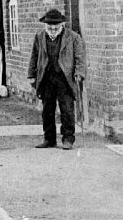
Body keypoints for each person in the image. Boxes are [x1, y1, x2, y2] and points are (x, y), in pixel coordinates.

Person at [27, 9, 86, 150]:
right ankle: (49, 139)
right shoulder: (40, 36)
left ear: (62, 25)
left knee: (67, 109)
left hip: (65, 79)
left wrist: (79, 73)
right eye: (49, 27)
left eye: (56, 27)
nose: (52, 30)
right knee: (47, 110)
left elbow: (80, 58)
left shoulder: (73, 37)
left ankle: (68, 139)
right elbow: (34, 56)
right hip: (46, 78)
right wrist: (31, 74)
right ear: (45, 26)